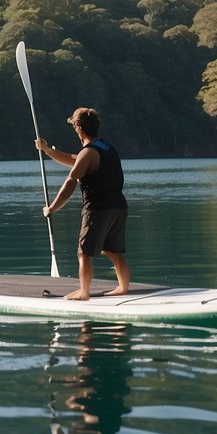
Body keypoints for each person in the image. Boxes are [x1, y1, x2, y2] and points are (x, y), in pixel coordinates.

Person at [36, 107, 130, 300]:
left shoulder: (88, 154)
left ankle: (84, 292)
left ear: (79, 127)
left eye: (74, 126)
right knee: (114, 251)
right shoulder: (106, 147)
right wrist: (46, 150)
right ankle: (123, 287)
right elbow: (74, 159)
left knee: (84, 253)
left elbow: (70, 182)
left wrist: (52, 208)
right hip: (119, 206)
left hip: (98, 209)